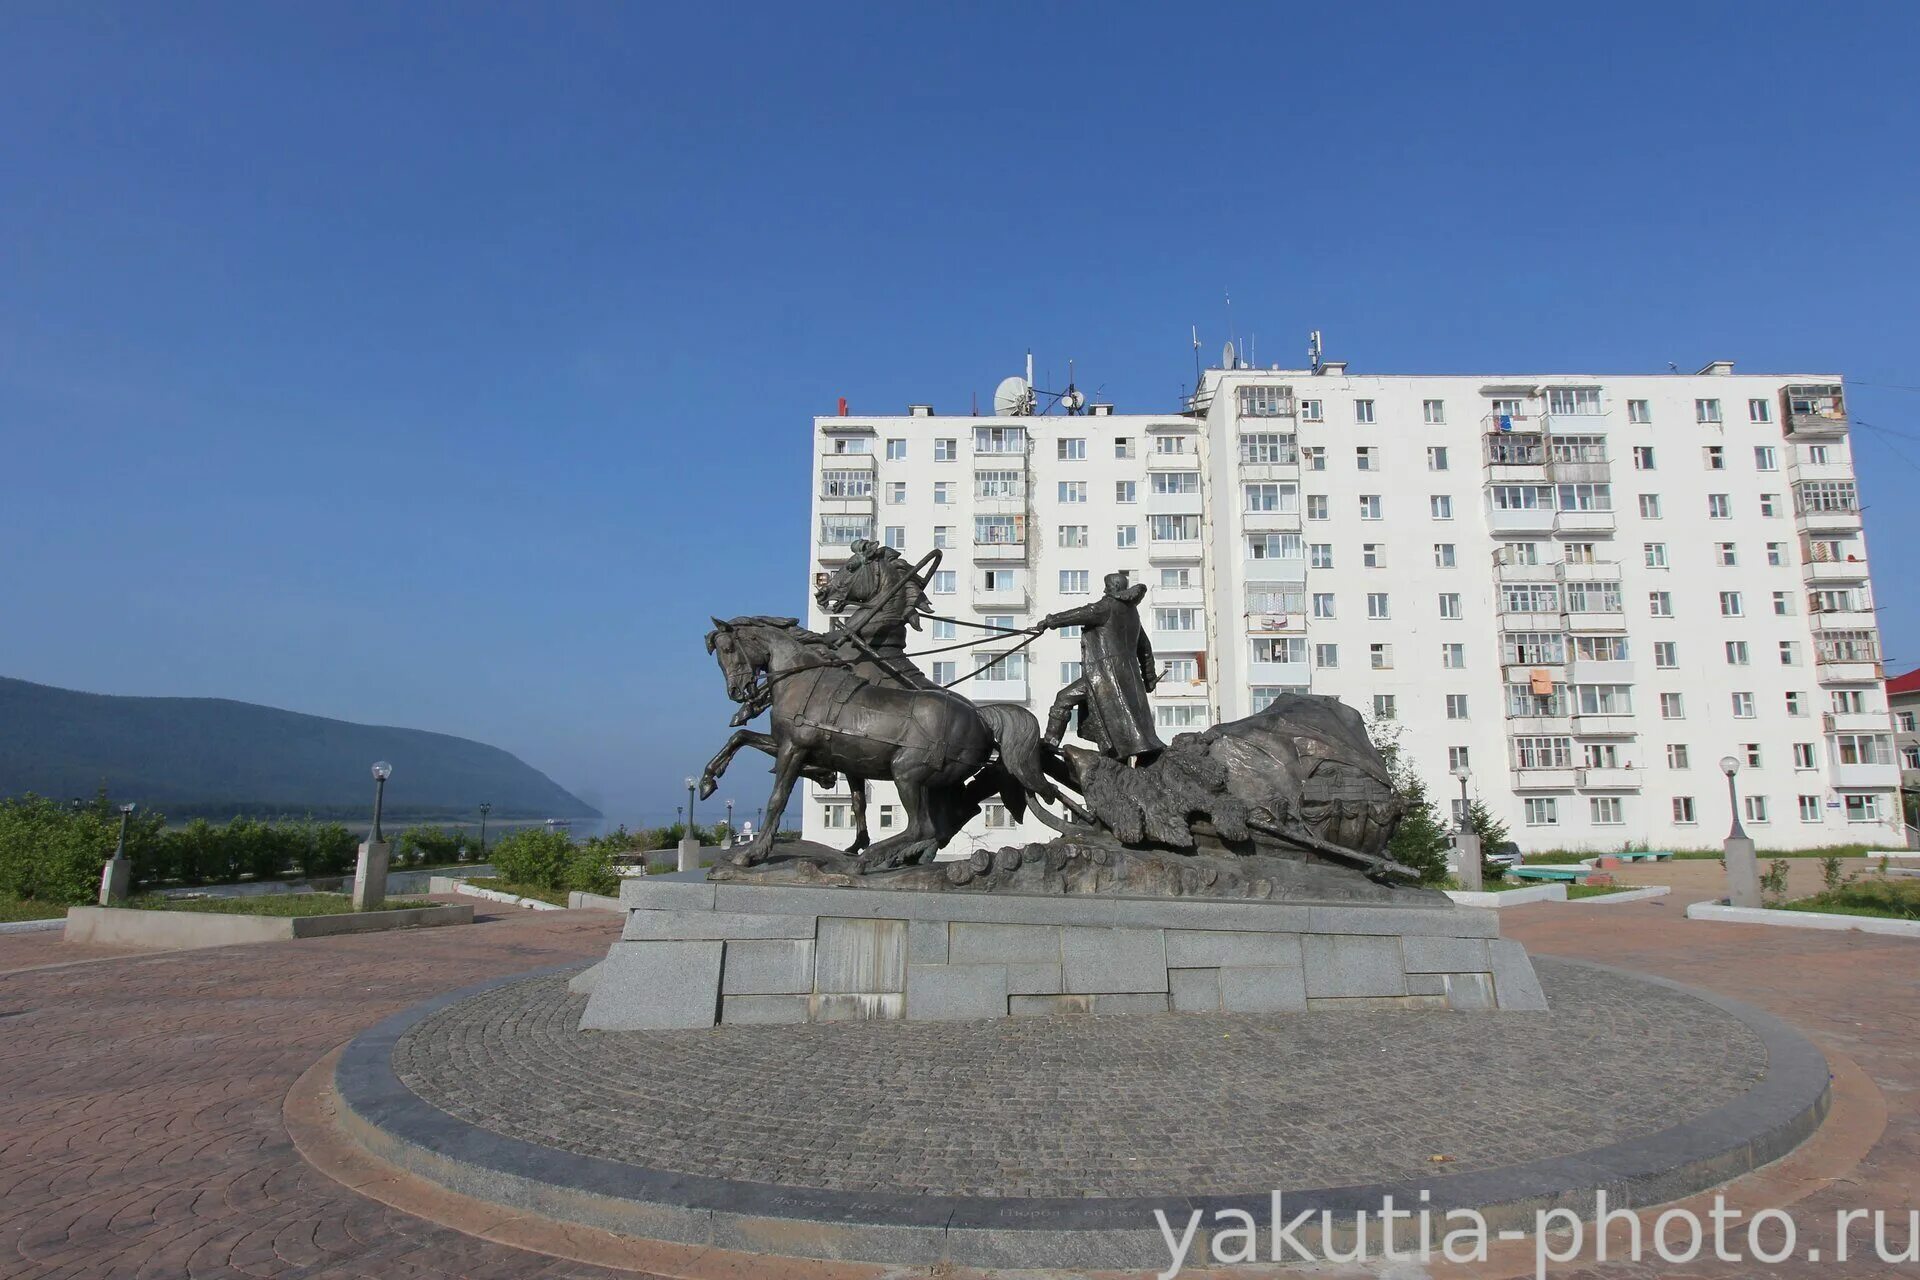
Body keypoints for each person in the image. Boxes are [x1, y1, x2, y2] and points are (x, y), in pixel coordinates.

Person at [1037, 571, 1164, 762]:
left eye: (1107, 586)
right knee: (1118, 729)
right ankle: (1116, 760)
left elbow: (1080, 613)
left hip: (1104, 674)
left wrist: (1049, 622)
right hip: (1127, 679)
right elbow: (1145, 648)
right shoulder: (1132, 613)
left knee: (1063, 698)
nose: (1105, 590)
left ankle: (1048, 745)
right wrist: (1149, 678)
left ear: (1113, 587)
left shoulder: (1107, 606)